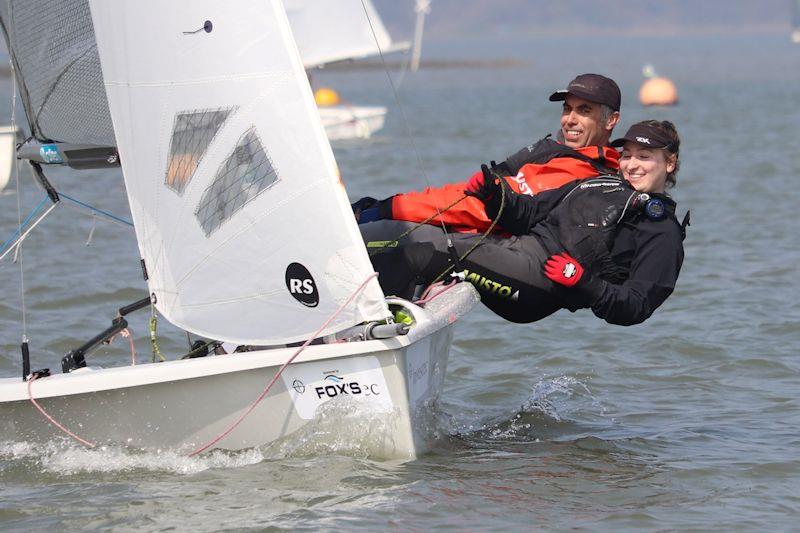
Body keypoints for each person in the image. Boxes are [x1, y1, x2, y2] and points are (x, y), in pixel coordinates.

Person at [370, 120, 686, 326]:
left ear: (669, 164)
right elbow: (527, 214)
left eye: (644, 157)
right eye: (627, 155)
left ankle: (371, 333)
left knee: (423, 251)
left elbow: (637, 306)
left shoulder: (661, 230)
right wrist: (494, 196)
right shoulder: (597, 184)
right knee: (411, 235)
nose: (631, 165)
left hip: (539, 286)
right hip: (518, 250)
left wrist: (584, 283)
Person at [355, 73, 622, 234]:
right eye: (567, 109)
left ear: (611, 121)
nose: (569, 120)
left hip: (490, 236)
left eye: (584, 111)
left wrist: (391, 209)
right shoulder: (561, 152)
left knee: (382, 224)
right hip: (464, 216)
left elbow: (478, 210)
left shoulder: (583, 171)